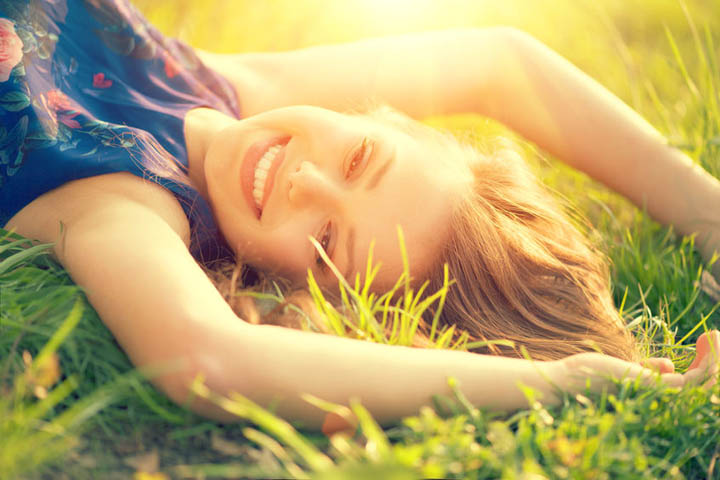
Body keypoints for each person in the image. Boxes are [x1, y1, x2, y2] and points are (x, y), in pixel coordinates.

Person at [1, 0, 719, 433]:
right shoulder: (226, 91)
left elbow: (209, 357)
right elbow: (502, 62)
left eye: (325, 239)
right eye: (359, 160)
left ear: (287, 292)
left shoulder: (118, 197)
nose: (304, 178)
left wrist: (566, 381)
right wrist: (707, 214)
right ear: (377, 116)